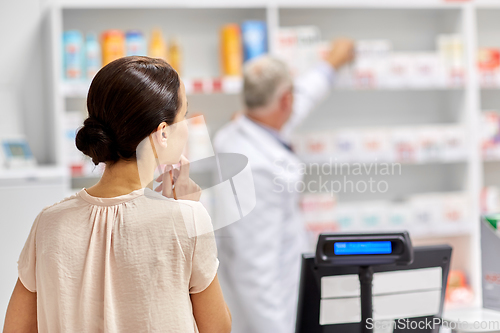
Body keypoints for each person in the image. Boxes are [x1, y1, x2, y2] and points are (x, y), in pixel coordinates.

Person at [3, 56, 231, 333]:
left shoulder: (48, 223)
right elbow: (217, 328)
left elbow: (16, 328)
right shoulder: (188, 218)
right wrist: (184, 211)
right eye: (183, 115)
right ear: (162, 133)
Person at [213, 39, 355, 333]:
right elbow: (255, 269)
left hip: (277, 291)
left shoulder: (245, 130)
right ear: (284, 101)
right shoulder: (254, 168)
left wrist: (330, 66)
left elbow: (301, 98)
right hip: (268, 311)